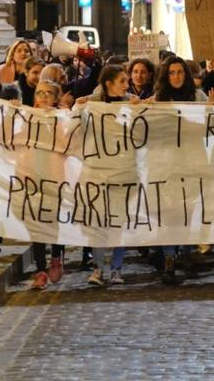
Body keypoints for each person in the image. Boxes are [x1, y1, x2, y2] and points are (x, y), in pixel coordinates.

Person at [78, 65, 139, 285]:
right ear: (108, 83)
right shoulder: (92, 104)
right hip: (98, 172)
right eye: (122, 81)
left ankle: (116, 268)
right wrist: (78, 108)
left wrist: (139, 110)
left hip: (124, 171)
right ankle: (98, 268)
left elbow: (142, 131)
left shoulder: (133, 102)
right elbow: (79, 129)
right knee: (98, 222)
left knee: (118, 222)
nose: (127, 85)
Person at [154, 56, 206, 284]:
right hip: (167, 164)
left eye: (180, 72)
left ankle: (186, 254)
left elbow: (210, 121)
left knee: (188, 211)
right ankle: (169, 259)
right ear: (166, 76)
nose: (176, 76)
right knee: (169, 213)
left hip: (192, 162)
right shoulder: (158, 99)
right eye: (172, 72)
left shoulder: (198, 96)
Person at [27, 79, 67, 290]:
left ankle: (56, 256)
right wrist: (9, 114)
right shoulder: (26, 116)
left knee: (52, 222)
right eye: (39, 93)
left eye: (47, 93)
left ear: (55, 98)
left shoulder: (61, 119)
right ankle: (40, 270)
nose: (42, 97)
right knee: (36, 225)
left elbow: (66, 144)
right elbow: (8, 139)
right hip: (32, 177)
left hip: (53, 177)